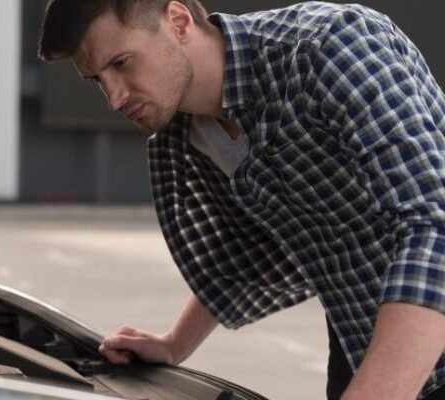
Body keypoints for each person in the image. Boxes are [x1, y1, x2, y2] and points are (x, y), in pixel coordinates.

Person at [37, 1, 445, 399]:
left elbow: (434, 228)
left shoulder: (330, 47)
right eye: (97, 78)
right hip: (363, 343)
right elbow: (250, 252)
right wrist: (175, 344)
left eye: (122, 63)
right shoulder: (183, 135)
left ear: (178, 22)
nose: (114, 98)